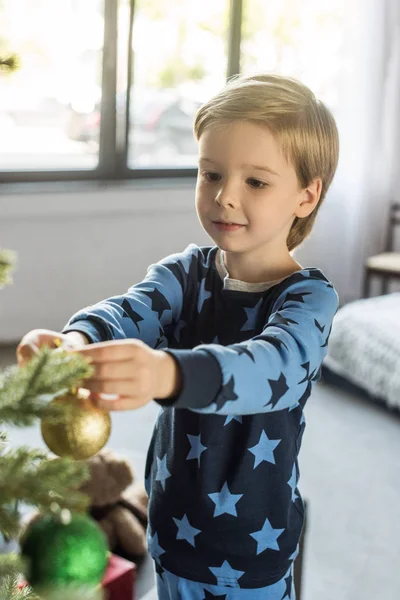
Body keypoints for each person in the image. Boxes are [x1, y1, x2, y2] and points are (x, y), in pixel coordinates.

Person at [17, 73, 340, 600]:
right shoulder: (186, 273)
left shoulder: (308, 299)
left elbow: (272, 367)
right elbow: (129, 310)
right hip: (169, 533)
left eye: (255, 182)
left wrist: (169, 371)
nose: (224, 197)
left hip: (249, 554)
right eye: (210, 173)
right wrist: (74, 343)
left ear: (306, 196)